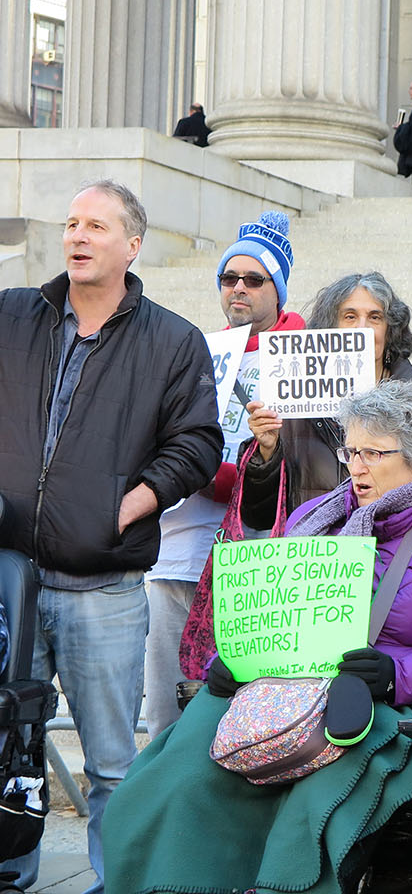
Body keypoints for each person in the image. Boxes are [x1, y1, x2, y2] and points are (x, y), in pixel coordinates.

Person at [101, 381, 412, 894]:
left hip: (390, 705)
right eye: (351, 450)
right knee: (172, 778)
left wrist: (399, 674)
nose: (356, 467)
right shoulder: (315, 518)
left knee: (316, 800)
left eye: (374, 453)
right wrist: (233, 656)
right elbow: (271, 611)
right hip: (282, 691)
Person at [0, 180, 222, 894]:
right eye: (70, 223)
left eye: (96, 225)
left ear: (132, 244)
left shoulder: (174, 341)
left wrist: (133, 502)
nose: (77, 236)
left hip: (104, 586)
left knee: (110, 764)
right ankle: (11, 872)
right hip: (11, 579)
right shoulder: (12, 316)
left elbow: (197, 443)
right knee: (10, 749)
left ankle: (116, 880)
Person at [144, 211, 304, 738]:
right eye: (228, 278)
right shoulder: (197, 350)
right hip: (177, 551)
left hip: (255, 560)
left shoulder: (303, 354)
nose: (238, 288)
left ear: (277, 291)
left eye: (253, 279)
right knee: (164, 714)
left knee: (237, 719)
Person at [240, 270, 412, 531]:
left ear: (390, 331)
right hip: (317, 563)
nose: (362, 328)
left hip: (401, 561)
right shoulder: (292, 409)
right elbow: (258, 516)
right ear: (329, 328)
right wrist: (266, 453)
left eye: (375, 317)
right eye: (350, 317)